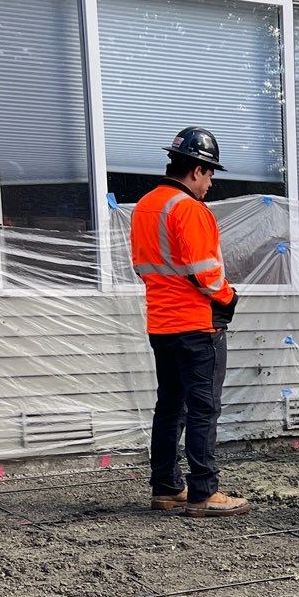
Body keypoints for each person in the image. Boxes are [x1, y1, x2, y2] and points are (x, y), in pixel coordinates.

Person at [129, 126, 248, 518]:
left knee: (170, 407)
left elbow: (144, 268)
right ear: (195, 170)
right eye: (210, 173)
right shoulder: (190, 210)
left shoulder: (146, 205)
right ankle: (203, 492)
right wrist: (230, 298)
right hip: (198, 325)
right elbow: (207, 275)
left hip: (161, 324)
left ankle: (166, 487)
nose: (211, 182)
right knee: (202, 409)